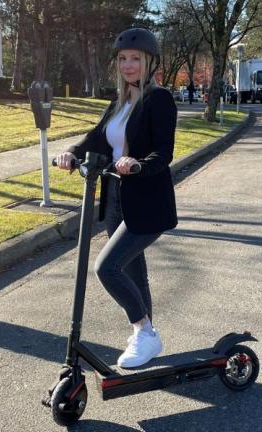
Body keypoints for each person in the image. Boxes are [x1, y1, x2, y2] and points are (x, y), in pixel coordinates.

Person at [55, 28, 177, 369]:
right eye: (123, 59)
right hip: (115, 200)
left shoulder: (159, 99)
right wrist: (71, 153)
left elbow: (163, 153)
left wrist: (137, 164)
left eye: (135, 58)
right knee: (132, 271)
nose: (128, 65)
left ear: (149, 62)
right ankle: (146, 334)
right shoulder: (119, 102)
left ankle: (144, 331)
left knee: (107, 268)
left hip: (147, 202)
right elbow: (96, 139)